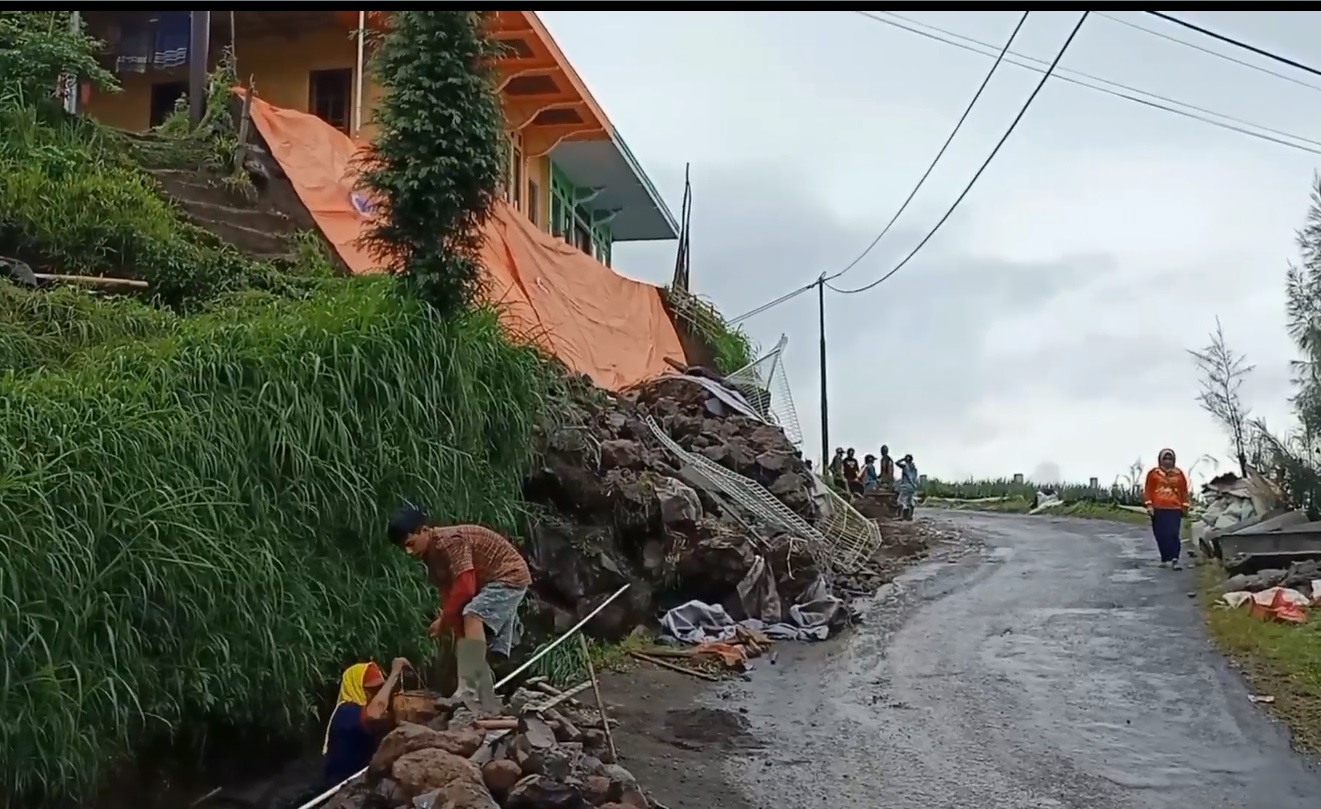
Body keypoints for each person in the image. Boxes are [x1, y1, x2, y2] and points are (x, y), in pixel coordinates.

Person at [388, 506, 532, 707]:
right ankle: (480, 691)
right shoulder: (430, 555)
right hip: (487, 583)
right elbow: (449, 591)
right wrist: (451, 624)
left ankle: (470, 687)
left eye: (411, 544)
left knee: (472, 614)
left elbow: (465, 587)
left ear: (424, 530)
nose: (409, 552)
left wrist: (444, 621)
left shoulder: (449, 542)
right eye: (404, 548)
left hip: (508, 576)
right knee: (465, 630)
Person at [322, 658, 408, 787]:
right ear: (354, 687)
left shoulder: (363, 711)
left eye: (378, 689)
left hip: (360, 776)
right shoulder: (346, 712)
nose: (374, 694)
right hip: (340, 783)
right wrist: (394, 673)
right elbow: (376, 710)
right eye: (370, 690)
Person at [1143, 448, 1190, 569]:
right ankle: (1164, 558)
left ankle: (1175, 559)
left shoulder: (1179, 474)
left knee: (1173, 533)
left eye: (1170, 458)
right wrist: (1149, 505)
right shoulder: (1154, 474)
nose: (1168, 461)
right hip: (1158, 508)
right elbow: (1148, 489)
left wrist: (1185, 506)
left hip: (1174, 508)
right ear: (1160, 460)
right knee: (1160, 534)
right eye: (1165, 458)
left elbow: (1184, 490)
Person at [896, 454, 918, 520]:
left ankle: (901, 517)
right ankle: (910, 516)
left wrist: (903, 459)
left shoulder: (905, 467)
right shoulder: (914, 468)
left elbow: (897, 463)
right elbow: (914, 477)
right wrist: (914, 485)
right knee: (910, 501)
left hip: (905, 485)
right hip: (912, 487)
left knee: (900, 501)